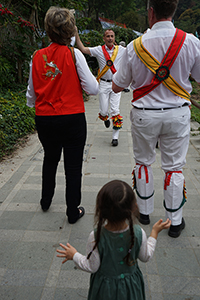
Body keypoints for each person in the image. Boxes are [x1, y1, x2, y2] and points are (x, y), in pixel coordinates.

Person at [112, 0, 200, 237]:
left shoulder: (134, 46)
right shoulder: (191, 41)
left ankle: (145, 212)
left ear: (151, 11)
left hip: (144, 115)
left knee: (143, 162)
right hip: (178, 114)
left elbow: (117, 86)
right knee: (174, 167)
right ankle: (175, 222)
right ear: (174, 10)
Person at [26, 6, 98, 224]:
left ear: (48, 30)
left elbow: (31, 94)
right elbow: (93, 89)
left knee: (50, 158)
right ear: (71, 31)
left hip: (46, 118)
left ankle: (46, 200)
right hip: (72, 117)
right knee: (73, 166)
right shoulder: (74, 55)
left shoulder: (37, 56)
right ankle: (72, 211)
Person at [57, 180, 171, 300]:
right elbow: (145, 256)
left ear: (100, 209)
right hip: (130, 288)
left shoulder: (96, 236)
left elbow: (92, 267)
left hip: (105, 290)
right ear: (133, 208)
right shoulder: (138, 233)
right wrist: (154, 233)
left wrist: (74, 255)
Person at [75, 28, 126, 147]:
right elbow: (83, 49)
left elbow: (135, 51)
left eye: (112, 36)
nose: (110, 38)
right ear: (104, 38)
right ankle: (105, 117)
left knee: (115, 110)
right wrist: (76, 34)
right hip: (103, 83)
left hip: (115, 84)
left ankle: (115, 137)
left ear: (114, 38)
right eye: (107, 36)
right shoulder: (98, 50)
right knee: (103, 111)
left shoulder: (121, 50)